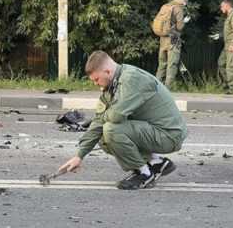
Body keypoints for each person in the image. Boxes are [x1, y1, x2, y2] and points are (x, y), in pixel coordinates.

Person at [59, 51, 187, 190]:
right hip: (153, 130)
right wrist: (79, 156)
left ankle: (144, 174)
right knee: (102, 134)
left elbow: (116, 116)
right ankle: (156, 162)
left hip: (169, 135)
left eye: (96, 80)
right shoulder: (112, 85)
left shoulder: (132, 79)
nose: (96, 84)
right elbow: (98, 121)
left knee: (111, 129)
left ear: (107, 71)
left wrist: (103, 117)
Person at [154, 0, 189, 88]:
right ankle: (167, 88)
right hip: (173, 41)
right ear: (184, 2)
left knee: (161, 65)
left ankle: (157, 87)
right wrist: (185, 21)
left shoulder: (165, 6)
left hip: (162, 39)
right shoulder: (178, 9)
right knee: (172, 64)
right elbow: (179, 27)